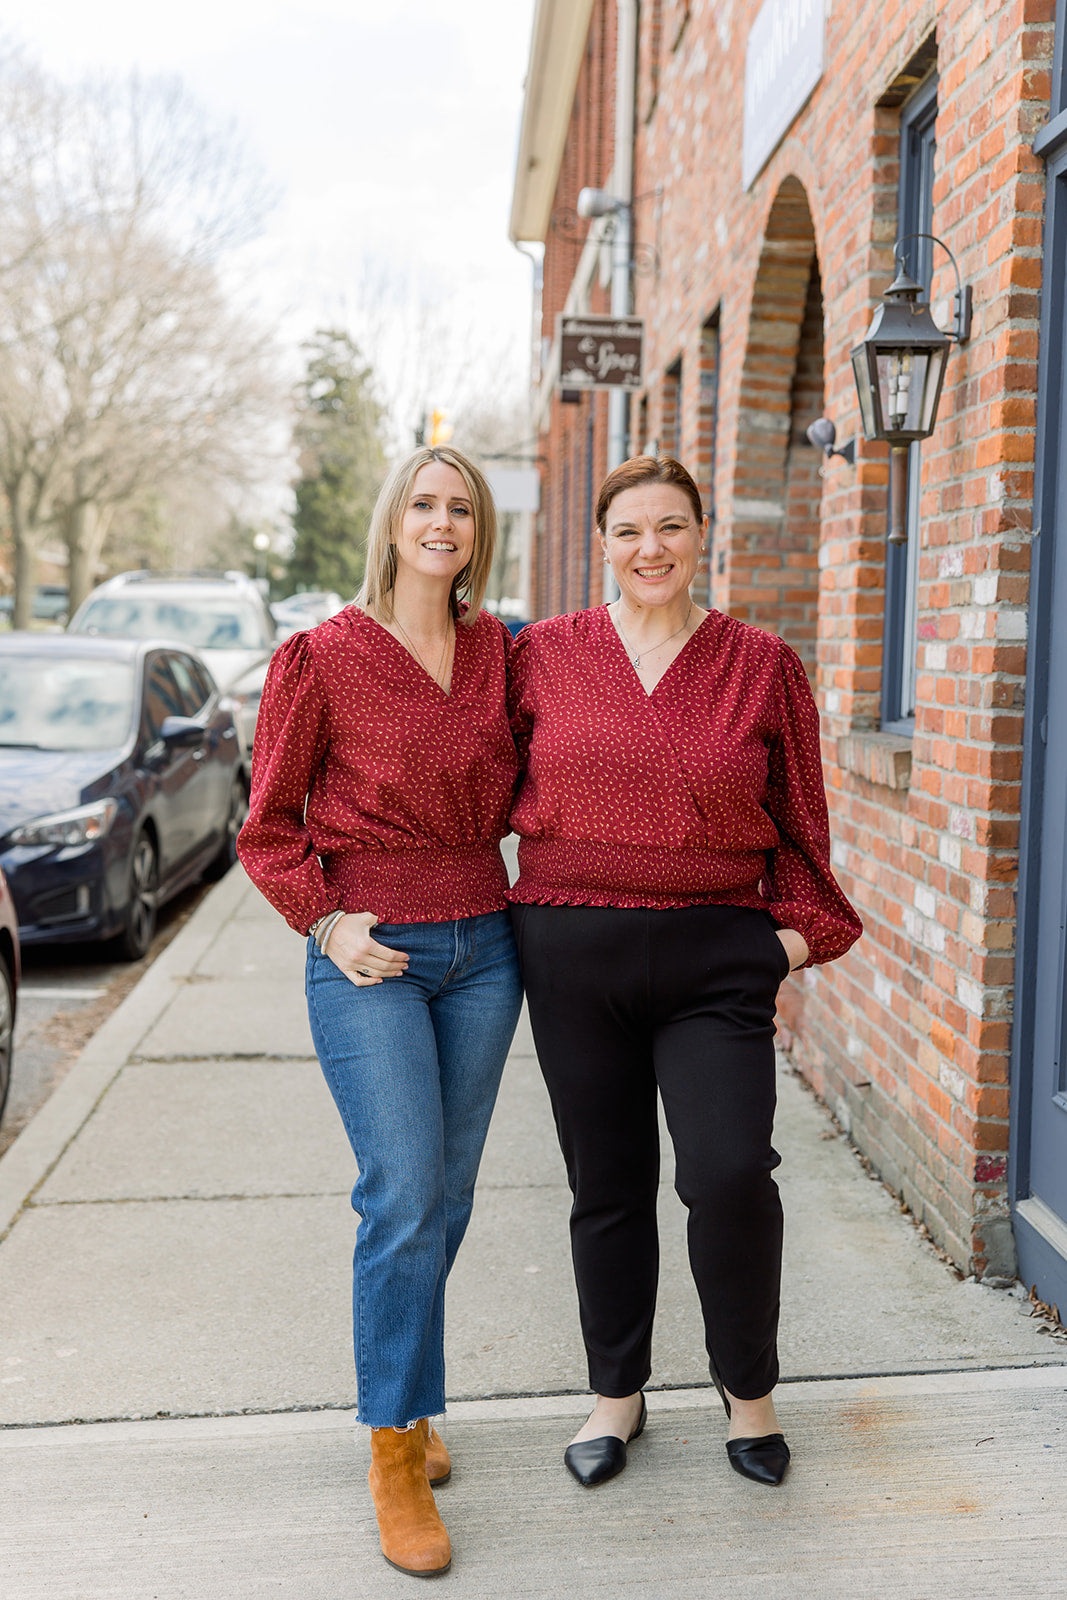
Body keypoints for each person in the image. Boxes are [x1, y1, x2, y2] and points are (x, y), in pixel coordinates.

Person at [507, 454, 861, 1490]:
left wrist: (782, 945)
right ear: (602, 542)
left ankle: (745, 1394)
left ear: (699, 535)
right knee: (604, 1184)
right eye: (627, 530)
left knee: (727, 1175)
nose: (648, 548)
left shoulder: (760, 663)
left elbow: (802, 830)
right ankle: (614, 1394)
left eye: (669, 526)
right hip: (572, 951)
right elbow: (462, 781)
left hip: (716, 957)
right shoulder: (542, 656)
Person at [237, 446, 522, 1576]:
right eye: (423, 503)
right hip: (369, 952)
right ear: (391, 520)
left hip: (487, 949)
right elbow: (267, 826)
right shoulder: (320, 657)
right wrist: (325, 921)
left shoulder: (502, 650)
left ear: (476, 529)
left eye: (460, 507)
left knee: (444, 1198)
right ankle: (392, 1442)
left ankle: (408, 1388)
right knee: (400, 1190)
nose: (441, 521)